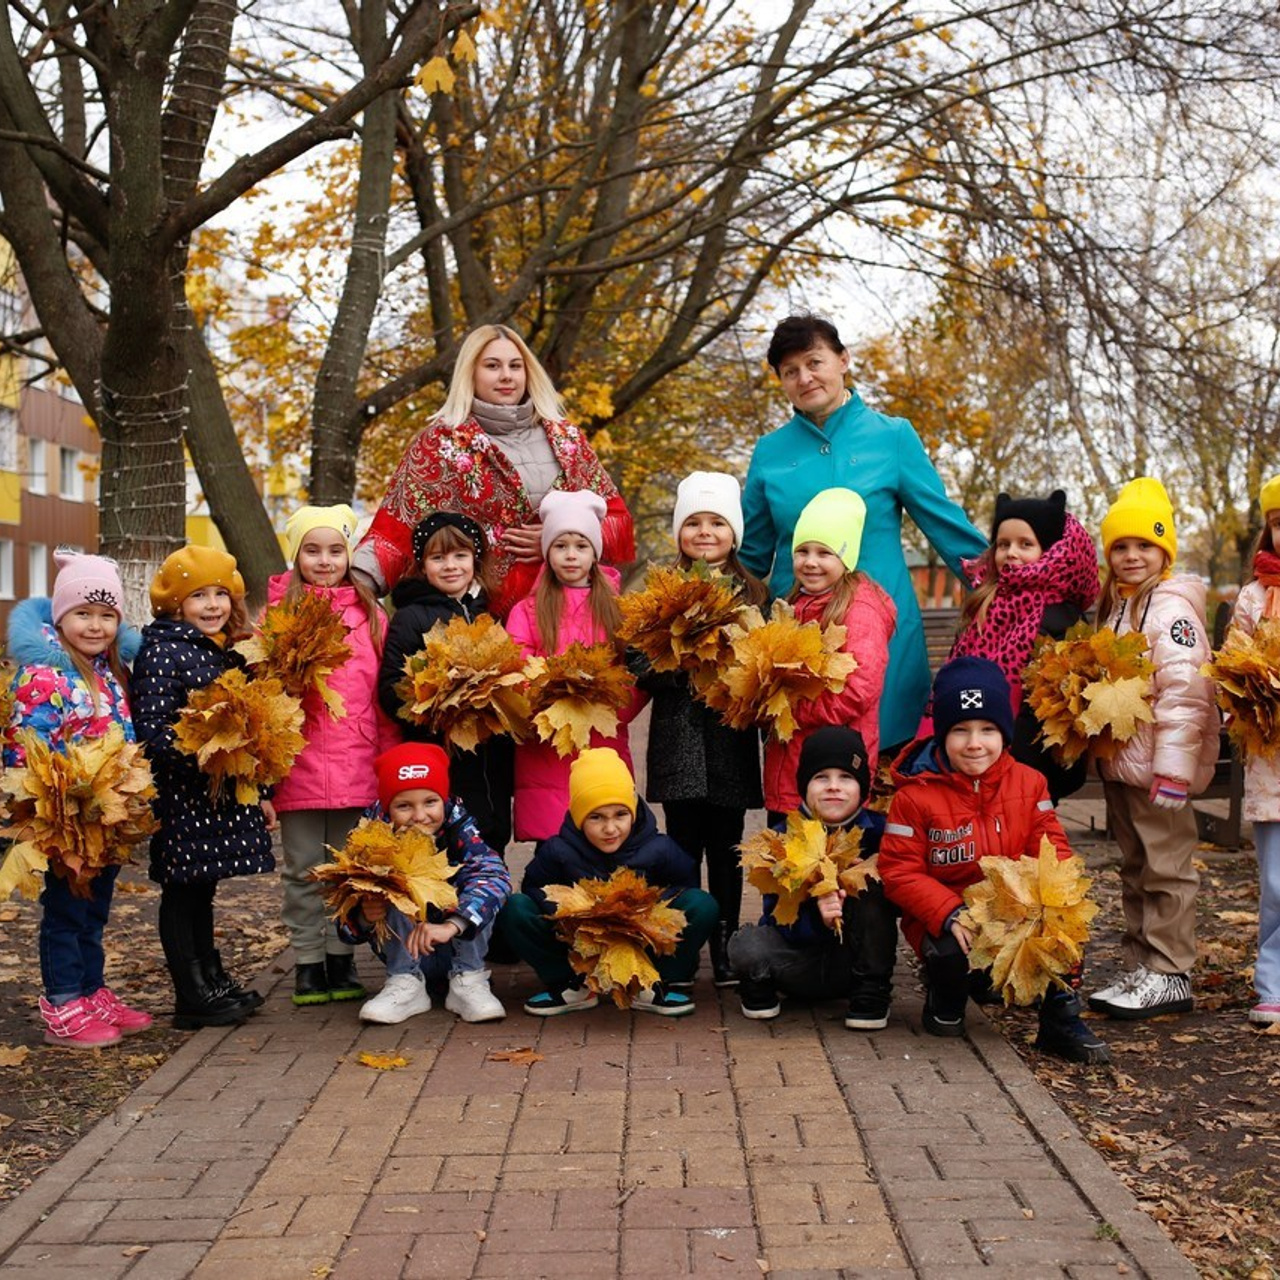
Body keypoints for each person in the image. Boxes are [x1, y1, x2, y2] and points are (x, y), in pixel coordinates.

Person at [739, 314, 986, 748]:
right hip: (797, 643)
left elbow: (947, 527)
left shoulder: (892, 436)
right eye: (790, 371)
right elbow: (751, 557)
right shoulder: (769, 452)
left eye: (815, 362)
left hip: (884, 636)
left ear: (843, 359)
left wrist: (1014, 588)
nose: (805, 377)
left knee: (887, 774)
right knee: (803, 783)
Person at [878, 657, 1111, 1064]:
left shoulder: (1029, 782)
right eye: (960, 731)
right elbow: (898, 871)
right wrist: (947, 912)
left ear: (1004, 733)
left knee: (1064, 922)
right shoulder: (914, 795)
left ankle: (1060, 1017)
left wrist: (1050, 905)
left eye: (988, 730)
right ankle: (945, 995)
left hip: (1013, 910)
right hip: (950, 914)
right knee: (951, 952)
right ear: (942, 735)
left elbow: (1053, 852)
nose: (975, 743)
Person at [353, 325, 634, 615]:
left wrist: (557, 537)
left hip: (570, 613)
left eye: (515, 366)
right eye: (492, 366)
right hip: (480, 619)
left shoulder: (568, 440)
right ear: (470, 373)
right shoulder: (440, 444)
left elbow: (618, 523)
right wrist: (344, 588)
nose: (506, 376)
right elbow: (396, 530)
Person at [4, 551, 153, 1047]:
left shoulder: (108, 670)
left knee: (95, 908)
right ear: (60, 616)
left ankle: (92, 988)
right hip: (63, 815)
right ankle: (63, 1000)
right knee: (67, 911)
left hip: (103, 815)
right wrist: (47, 806)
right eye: (83, 614)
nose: (95, 625)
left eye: (106, 615)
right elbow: (26, 748)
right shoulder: (43, 674)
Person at [1085, 479, 1218, 1019]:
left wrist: (1174, 770)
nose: (1132, 556)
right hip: (1125, 766)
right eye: (1121, 546)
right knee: (1136, 866)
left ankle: (1170, 971)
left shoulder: (1170, 611)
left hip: (1160, 771)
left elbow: (1188, 694)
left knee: (1166, 868)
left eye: (1145, 545)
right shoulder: (1119, 608)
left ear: (1165, 551)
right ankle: (1143, 963)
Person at [132, 547, 276, 1029]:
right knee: (182, 888)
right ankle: (190, 992)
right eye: (199, 595)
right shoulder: (164, 650)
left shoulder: (226, 649)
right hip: (183, 792)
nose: (213, 604)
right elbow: (152, 729)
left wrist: (258, 786)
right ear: (175, 604)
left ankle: (211, 976)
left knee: (203, 886)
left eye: (221, 593)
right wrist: (205, 754)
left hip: (218, 793)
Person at [637, 471, 767, 985]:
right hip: (676, 740)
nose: (705, 532)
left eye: (717, 522)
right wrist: (679, 659)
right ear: (679, 532)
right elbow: (637, 662)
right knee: (682, 846)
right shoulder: (657, 590)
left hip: (728, 740)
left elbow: (762, 661)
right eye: (693, 522)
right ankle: (686, 940)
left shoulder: (752, 591)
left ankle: (727, 940)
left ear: (734, 533)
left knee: (728, 847)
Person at [270, 505, 400, 1008]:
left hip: (356, 762)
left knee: (349, 870)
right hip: (299, 764)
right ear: (297, 555)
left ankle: (341, 958)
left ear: (350, 555)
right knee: (303, 870)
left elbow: (382, 699)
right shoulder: (279, 613)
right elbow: (265, 697)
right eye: (312, 550)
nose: (324, 561)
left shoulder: (370, 614)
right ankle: (307, 963)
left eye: (335, 550)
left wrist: (387, 762)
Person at [498, 748, 718, 1017]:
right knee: (515, 908)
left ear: (634, 811)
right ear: (579, 818)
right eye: (596, 817)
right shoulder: (558, 850)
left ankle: (652, 983)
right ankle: (573, 984)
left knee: (702, 904)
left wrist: (643, 909)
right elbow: (533, 888)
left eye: (620, 815)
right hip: (579, 942)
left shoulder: (660, 848)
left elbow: (686, 885)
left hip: (641, 940)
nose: (610, 828)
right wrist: (574, 913)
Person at [729, 726, 897, 1030]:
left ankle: (871, 994)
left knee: (872, 882)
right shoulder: (782, 838)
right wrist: (815, 914)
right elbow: (777, 916)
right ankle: (759, 988)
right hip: (796, 963)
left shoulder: (880, 834)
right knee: (747, 944)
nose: (834, 787)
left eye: (846, 777)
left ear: (862, 787)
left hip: (852, 963)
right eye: (821, 778)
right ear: (804, 786)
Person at [506, 489, 640, 843]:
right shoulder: (528, 611)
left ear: (594, 552)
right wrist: (550, 703)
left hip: (602, 738)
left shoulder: (617, 611)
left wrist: (610, 707)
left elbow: (633, 675)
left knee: (604, 840)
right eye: (560, 545)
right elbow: (516, 669)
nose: (570, 555)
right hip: (546, 745)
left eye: (581, 546)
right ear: (547, 551)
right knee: (554, 850)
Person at [947, 490, 1099, 801]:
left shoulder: (1058, 613)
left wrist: (1020, 755)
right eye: (1003, 545)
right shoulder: (987, 602)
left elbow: (1059, 699)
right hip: (979, 744)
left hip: (1033, 754)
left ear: (1051, 550)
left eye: (1025, 544)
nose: (1011, 553)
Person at [377, 511, 514, 855]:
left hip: (490, 759)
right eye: (438, 558)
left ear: (475, 560)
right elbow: (391, 688)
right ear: (423, 566)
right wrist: (438, 704)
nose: (450, 565)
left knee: (490, 841)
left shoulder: (492, 615)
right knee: (447, 847)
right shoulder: (411, 617)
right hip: (439, 755)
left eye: (460, 556)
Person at [348, 744, 511, 1025]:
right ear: (389, 808)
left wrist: (453, 924)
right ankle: (405, 983)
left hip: (456, 943)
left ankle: (468, 981)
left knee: (483, 886)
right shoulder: (370, 839)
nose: (420, 816)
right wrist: (362, 917)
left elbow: (495, 875)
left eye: (430, 802)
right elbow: (340, 905)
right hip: (405, 948)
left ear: (443, 800)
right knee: (386, 883)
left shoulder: (460, 830)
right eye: (404, 806)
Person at [763, 487, 895, 817]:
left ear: (845, 558)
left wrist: (792, 710)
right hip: (791, 763)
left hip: (834, 771)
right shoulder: (794, 603)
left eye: (824, 553)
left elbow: (858, 690)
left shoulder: (860, 610)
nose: (810, 562)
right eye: (802, 551)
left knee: (831, 861)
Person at [1230, 474, 1280, 1025]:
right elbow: (1232, 672)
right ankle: (1272, 982)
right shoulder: (1252, 597)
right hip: (1272, 760)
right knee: (1277, 882)